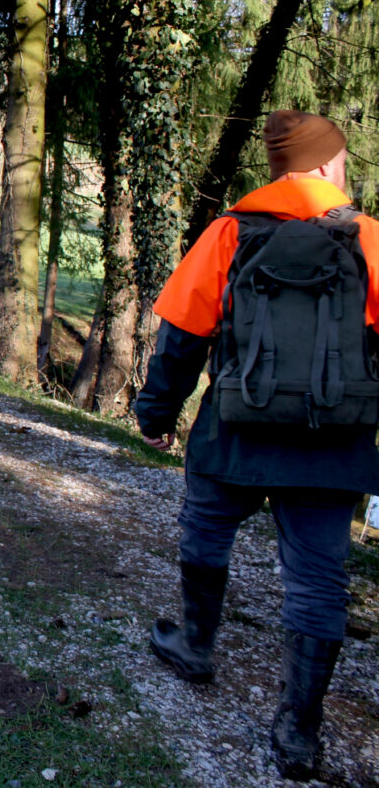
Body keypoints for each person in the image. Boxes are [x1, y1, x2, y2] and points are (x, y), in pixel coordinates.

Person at [134, 110, 379, 782]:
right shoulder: (371, 239)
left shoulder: (229, 233)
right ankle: (298, 734)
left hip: (237, 427)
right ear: (326, 166)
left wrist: (156, 412)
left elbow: (181, 337)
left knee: (206, 528)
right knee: (319, 579)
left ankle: (195, 644)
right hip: (335, 443)